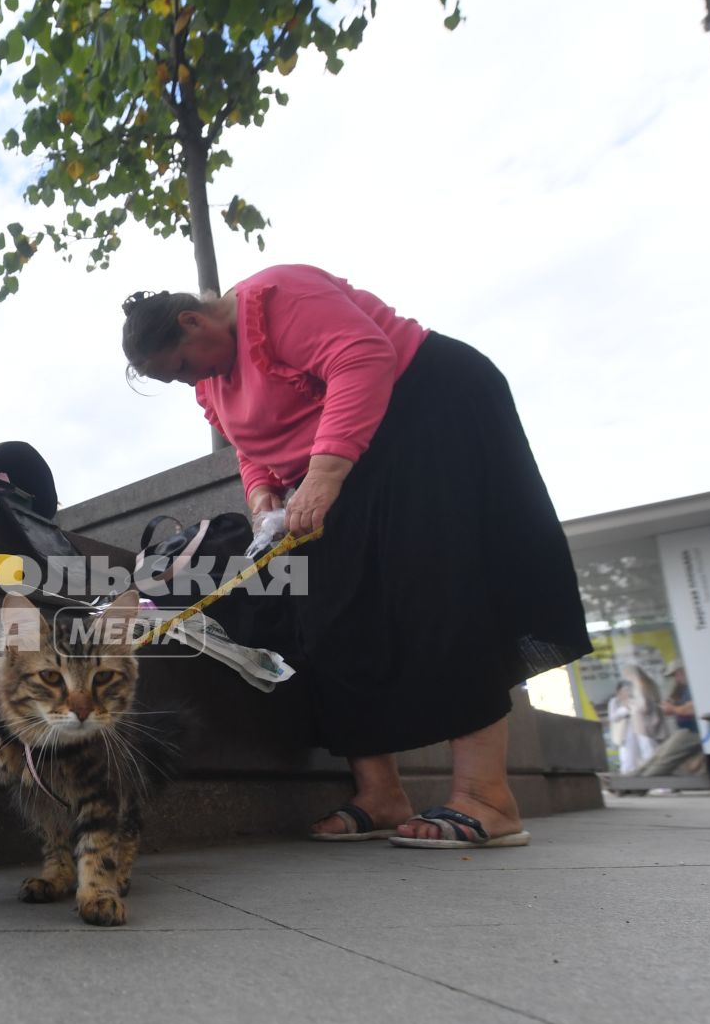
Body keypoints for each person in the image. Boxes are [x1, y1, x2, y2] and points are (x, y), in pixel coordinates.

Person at [120, 266, 591, 849]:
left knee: (437, 585)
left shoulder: (277, 297)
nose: (192, 380)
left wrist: (323, 474)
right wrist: (264, 488)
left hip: (426, 408)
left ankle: (486, 796)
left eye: (184, 366)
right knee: (329, 613)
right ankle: (381, 793)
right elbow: (250, 447)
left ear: (193, 321)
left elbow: (363, 358)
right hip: (349, 462)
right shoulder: (210, 382)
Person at [632, 661, 703, 778]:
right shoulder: (683, 689)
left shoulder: (696, 686)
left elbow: (691, 708)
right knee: (657, 755)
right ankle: (629, 779)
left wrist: (673, 708)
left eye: (678, 674)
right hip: (686, 729)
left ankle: (635, 785)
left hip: (694, 731)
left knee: (664, 759)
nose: (677, 678)